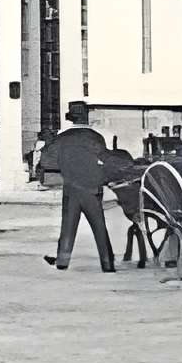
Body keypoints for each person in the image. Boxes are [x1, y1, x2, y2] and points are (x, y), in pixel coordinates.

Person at [32, 102, 117, 273]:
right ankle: (107, 264)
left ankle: (62, 262)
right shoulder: (95, 137)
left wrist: (49, 146)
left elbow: (47, 162)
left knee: (68, 228)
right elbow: (105, 159)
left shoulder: (62, 138)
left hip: (71, 188)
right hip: (92, 189)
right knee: (99, 227)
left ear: (71, 118)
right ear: (86, 117)